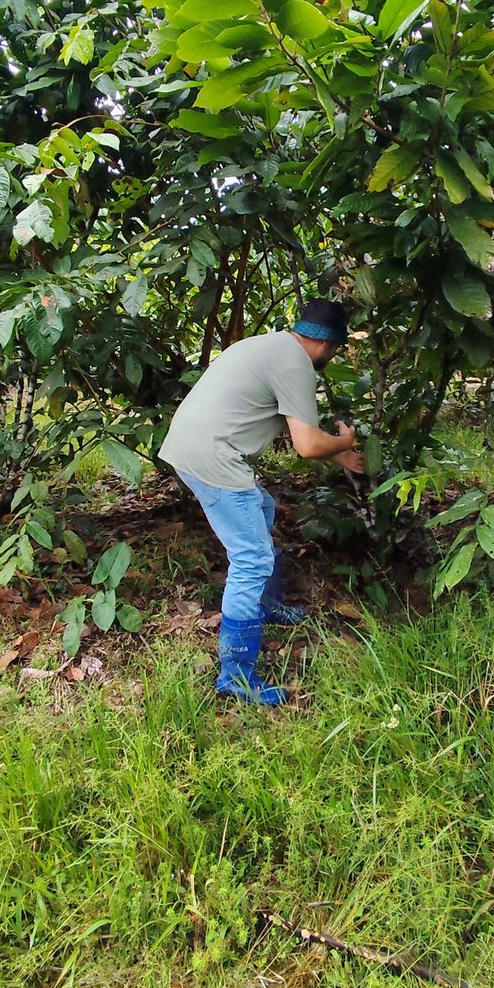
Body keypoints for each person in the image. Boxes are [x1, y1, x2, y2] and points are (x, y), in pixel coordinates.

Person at [159, 299, 365, 705]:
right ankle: (235, 675)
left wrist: (339, 454)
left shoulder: (271, 347)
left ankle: (265, 605)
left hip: (193, 446)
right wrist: (346, 441)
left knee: (263, 508)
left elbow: (290, 424)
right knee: (251, 558)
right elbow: (306, 444)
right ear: (330, 346)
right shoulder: (296, 365)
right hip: (213, 456)